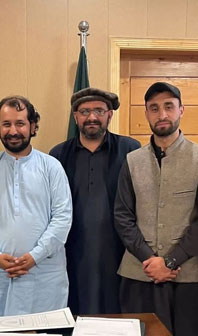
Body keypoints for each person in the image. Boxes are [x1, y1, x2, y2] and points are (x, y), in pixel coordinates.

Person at [114, 82, 198, 336]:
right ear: (146, 113)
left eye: (169, 106)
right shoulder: (132, 161)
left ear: (181, 110)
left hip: (186, 275)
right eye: (154, 108)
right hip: (139, 273)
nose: (162, 114)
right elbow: (122, 216)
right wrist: (150, 259)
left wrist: (170, 261)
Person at [0, 95, 72, 317]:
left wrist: (35, 256)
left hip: (42, 276)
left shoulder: (52, 167)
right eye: (6, 124)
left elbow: (62, 218)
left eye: (20, 123)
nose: (13, 131)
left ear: (33, 126)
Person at [49, 88, 140, 315]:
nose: (92, 117)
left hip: (120, 251)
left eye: (99, 110)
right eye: (84, 111)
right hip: (73, 251)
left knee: (116, 314)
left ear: (110, 114)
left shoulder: (131, 150)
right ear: (75, 116)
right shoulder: (58, 155)